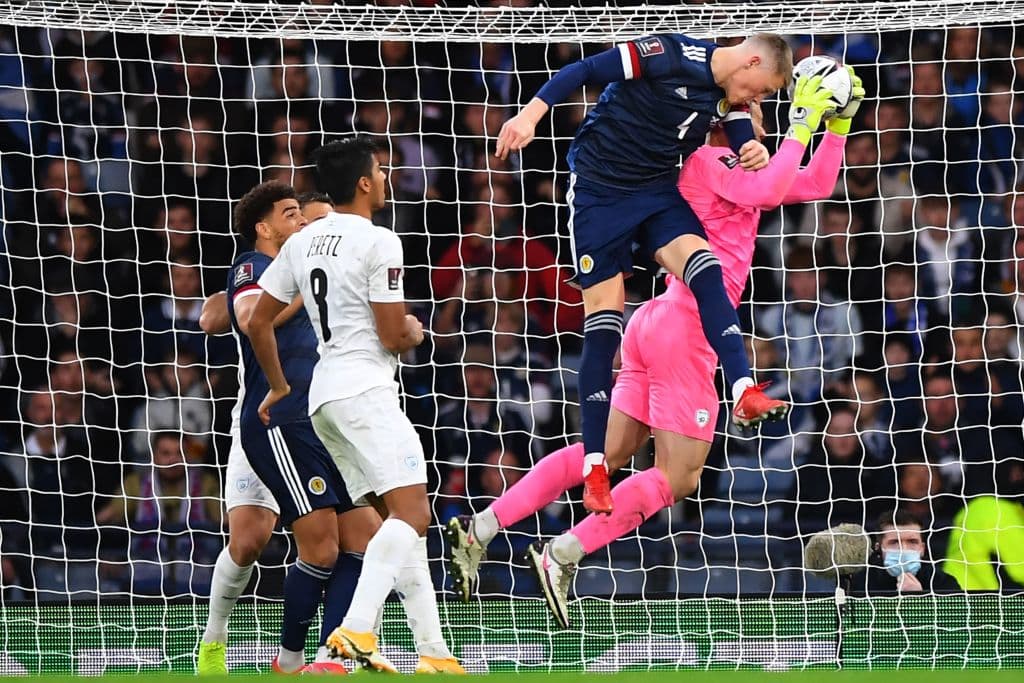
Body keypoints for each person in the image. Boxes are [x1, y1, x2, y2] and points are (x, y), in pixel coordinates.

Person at [449, 71, 862, 625]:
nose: (763, 116)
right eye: (757, 108)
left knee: (612, 454)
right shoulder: (711, 164)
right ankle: (564, 553)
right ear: (731, 124)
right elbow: (770, 188)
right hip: (689, 329)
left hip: (658, 320)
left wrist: (835, 125)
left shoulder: (727, 167)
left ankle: (482, 528)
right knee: (679, 478)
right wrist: (805, 122)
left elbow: (811, 185)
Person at [495, 32, 793, 513]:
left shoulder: (727, 95)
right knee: (603, 328)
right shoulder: (669, 54)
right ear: (752, 61)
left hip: (655, 192)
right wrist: (531, 113)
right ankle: (594, 467)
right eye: (764, 89)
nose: (760, 99)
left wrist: (752, 148)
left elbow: (735, 119)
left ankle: (743, 388)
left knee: (704, 266)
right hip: (600, 194)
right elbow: (587, 70)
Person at [246, 138, 460, 673]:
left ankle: (433, 653)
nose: (387, 178)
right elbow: (391, 333)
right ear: (364, 182)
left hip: (323, 398)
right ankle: (357, 631)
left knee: (397, 521)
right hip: (366, 389)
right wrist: (412, 331)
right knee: (413, 512)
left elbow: (256, 321)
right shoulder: (380, 240)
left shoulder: (305, 240)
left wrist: (276, 385)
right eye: (382, 170)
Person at [196, 189, 373, 675]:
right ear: (265, 227)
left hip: (320, 420)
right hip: (272, 418)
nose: (302, 224)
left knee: (358, 537)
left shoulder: (317, 273)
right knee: (251, 539)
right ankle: (215, 640)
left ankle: (324, 656)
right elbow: (244, 315)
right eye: (292, 215)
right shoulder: (255, 266)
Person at [849, 509, 960, 595]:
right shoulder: (859, 583)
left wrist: (919, 599)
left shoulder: (943, 583)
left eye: (912, 542)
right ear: (879, 547)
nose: (903, 549)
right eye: (894, 542)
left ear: (922, 548)